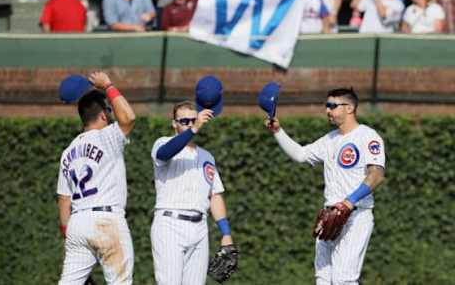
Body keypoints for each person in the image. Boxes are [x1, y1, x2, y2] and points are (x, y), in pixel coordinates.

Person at [265, 88, 386, 285]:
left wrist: (349, 202)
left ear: (350, 108)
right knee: (323, 278)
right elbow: (301, 155)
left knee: (343, 280)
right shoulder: (330, 139)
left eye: (332, 106)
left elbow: (377, 175)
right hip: (330, 215)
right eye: (326, 106)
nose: (327, 110)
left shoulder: (367, 136)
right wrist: (278, 131)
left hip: (356, 215)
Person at [57, 71, 136, 284]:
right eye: (108, 111)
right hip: (106, 220)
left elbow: (64, 201)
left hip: (77, 223)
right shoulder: (108, 135)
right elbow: (128, 117)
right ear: (103, 114)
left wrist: (70, 240)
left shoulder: (68, 152)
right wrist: (108, 86)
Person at [150, 98, 235, 285]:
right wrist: (194, 128)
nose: (189, 124)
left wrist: (226, 233)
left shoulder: (207, 156)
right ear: (174, 124)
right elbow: (164, 154)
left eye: (192, 120)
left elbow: (215, 195)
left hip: (200, 228)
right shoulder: (163, 142)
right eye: (184, 121)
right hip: (170, 225)